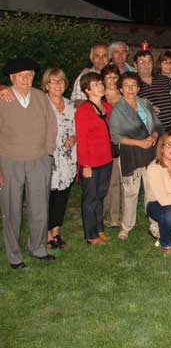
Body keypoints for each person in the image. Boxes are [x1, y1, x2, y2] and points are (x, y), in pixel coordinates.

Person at [0, 58, 57, 269]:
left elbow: (52, 124)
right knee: (11, 210)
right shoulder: (3, 98)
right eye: (21, 75)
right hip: (9, 162)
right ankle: (14, 256)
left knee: (40, 208)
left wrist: (48, 153)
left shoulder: (40, 97)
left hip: (39, 160)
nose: (26, 78)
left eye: (30, 74)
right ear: (12, 78)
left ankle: (38, 248)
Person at [109, 72, 160, 240]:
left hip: (150, 153)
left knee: (152, 191)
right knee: (130, 192)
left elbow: (157, 126)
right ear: (121, 89)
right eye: (126, 85)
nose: (130, 89)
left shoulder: (145, 104)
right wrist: (139, 143)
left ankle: (155, 224)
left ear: (138, 87)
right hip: (130, 154)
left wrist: (153, 137)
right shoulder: (118, 109)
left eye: (134, 85)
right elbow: (115, 136)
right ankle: (126, 226)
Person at [75, 72, 113, 245]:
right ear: (87, 90)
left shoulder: (107, 106)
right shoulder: (83, 110)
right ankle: (90, 235)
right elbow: (81, 141)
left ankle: (99, 229)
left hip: (106, 160)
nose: (101, 86)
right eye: (96, 84)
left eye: (100, 83)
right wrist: (85, 165)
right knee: (90, 199)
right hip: (91, 162)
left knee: (100, 196)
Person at [42, 68, 77, 249]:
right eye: (53, 81)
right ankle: (46, 233)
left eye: (61, 81)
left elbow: (77, 128)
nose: (58, 85)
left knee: (62, 195)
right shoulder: (41, 104)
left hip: (67, 158)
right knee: (46, 195)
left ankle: (56, 231)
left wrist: (74, 137)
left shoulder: (71, 105)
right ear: (46, 85)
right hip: (47, 157)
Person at [101, 64, 122, 228]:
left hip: (120, 143)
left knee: (117, 181)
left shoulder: (123, 96)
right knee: (106, 181)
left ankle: (114, 216)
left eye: (115, 77)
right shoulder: (99, 97)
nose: (112, 80)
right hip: (103, 144)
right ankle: (102, 213)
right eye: (108, 77)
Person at [135, 50, 171, 132]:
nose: (146, 65)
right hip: (153, 132)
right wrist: (144, 108)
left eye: (149, 61)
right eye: (142, 62)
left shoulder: (165, 80)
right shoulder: (133, 85)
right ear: (135, 65)